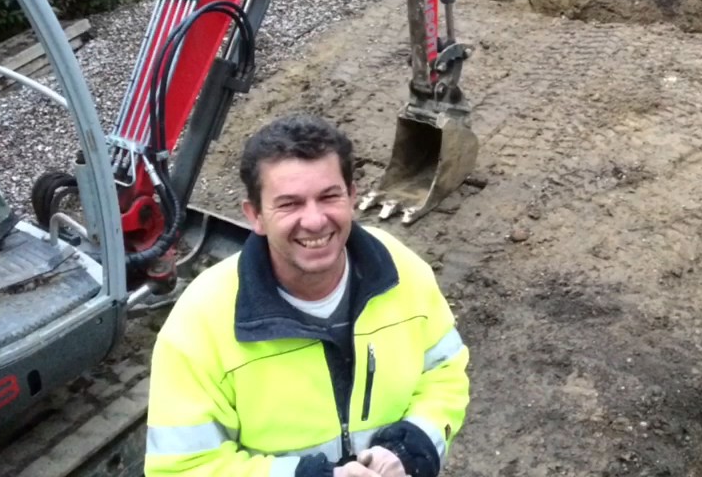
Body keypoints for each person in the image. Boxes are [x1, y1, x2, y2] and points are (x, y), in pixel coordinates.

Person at [143, 114, 469, 477]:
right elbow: (183, 468)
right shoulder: (200, 323)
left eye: (329, 196)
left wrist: (411, 449)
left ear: (351, 196)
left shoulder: (403, 272)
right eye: (289, 204)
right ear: (255, 216)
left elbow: (445, 372)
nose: (314, 220)